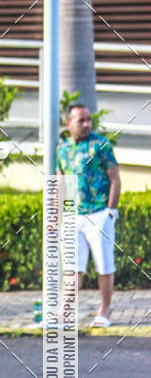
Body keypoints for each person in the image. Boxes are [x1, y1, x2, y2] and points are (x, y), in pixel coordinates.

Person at [56, 103, 121, 327]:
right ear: (68, 124)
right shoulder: (62, 149)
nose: (86, 124)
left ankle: (104, 312)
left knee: (104, 266)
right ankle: (65, 314)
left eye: (88, 120)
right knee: (73, 267)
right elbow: (61, 183)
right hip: (73, 216)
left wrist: (110, 212)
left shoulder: (101, 145)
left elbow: (115, 178)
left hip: (99, 213)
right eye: (80, 120)